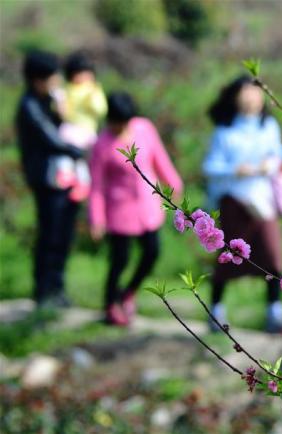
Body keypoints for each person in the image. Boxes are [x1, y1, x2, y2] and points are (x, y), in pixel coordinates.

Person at [203, 75, 282, 334]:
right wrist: (236, 170)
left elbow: (278, 153)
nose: (252, 100)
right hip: (234, 201)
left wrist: (270, 163)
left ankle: (274, 313)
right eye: (246, 94)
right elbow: (211, 166)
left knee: (273, 256)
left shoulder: (268, 126)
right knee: (228, 258)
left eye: (256, 94)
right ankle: (215, 312)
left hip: (262, 200)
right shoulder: (224, 132)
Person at [89, 92, 183, 326]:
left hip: (147, 205)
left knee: (152, 252)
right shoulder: (102, 145)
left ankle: (128, 292)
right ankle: (111, 304)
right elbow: (97, 186)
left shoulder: (144, 129)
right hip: (119, 212)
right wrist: (96, 219)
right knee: (119, 260)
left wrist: (173, 184)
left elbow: (159, 158)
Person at [15, 50, 84, 308]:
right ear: (37, 80)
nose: (56, 84)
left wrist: (62, 110)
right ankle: (44, 290)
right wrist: (78, 151)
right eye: (52, 79)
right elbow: (51, 139)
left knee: (63, 234)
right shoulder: (29, 106)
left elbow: (62, 125)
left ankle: (57, 287)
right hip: (46, 181)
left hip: (61, 177)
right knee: (50, 235)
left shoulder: (45, 102)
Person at [57, 52, 108, 202]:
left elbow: (100, 109)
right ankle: (66, 173)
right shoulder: (68, 90)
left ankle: (83, 183)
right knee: (63, 149)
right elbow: (62, 111)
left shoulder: (93, 90)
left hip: (85, 131)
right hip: (70, 128)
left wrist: (91, 96)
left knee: (82, 160)